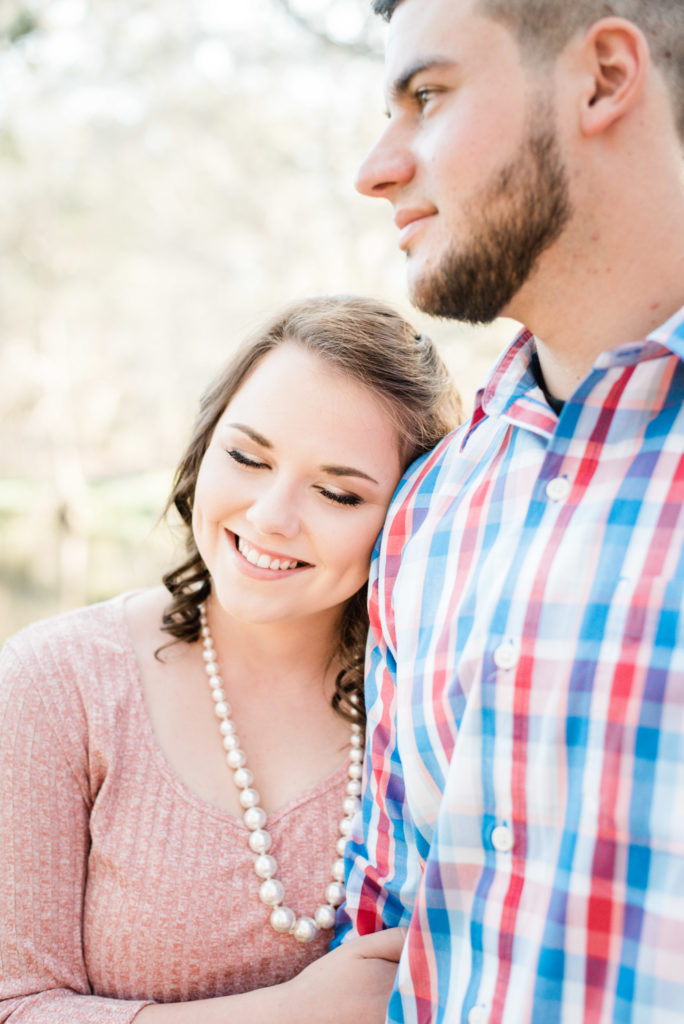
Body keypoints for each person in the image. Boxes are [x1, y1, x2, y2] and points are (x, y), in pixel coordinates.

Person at [334, 1, 684, 1022]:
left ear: (604, 77)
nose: (376, 168)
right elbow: (389, 922)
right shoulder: (433, 511)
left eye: (428, 97)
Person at [0, 294, 461, 1023]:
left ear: (406, 515)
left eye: (338, 493)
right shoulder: (56, 683)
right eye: (247, 456)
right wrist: (293, 1014)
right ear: (204, 446)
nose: (271, 516)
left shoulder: (431, 705)